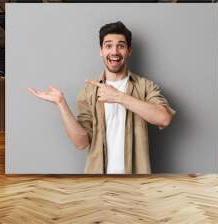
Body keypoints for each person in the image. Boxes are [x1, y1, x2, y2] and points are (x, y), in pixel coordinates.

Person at [28, 21, 175, 174]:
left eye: (121, 46)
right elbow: (81, 143)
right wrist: (61, 104)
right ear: (101, 50)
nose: (115, 51)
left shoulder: (145, 86)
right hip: (98, 181)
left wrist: (119, 97)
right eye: (108, 45)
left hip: (136, 181)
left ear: (129, 51)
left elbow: (164, 118)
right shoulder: (88, 91)